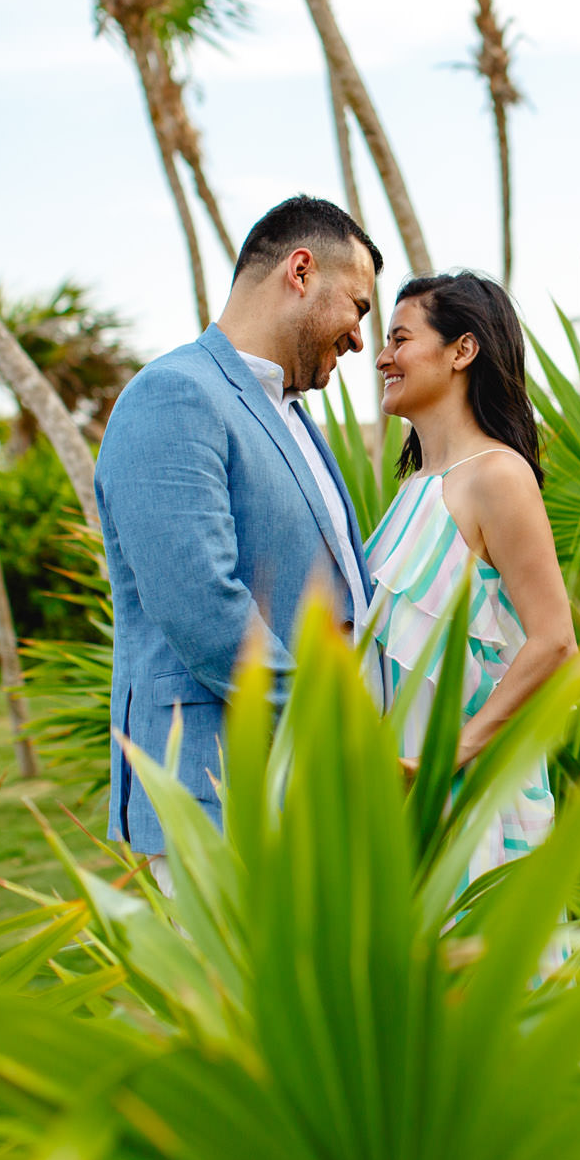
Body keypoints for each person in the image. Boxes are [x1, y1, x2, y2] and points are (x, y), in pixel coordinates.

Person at [97, 195, 379, 881]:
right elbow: (207, 611)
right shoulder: (174, 394)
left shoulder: (291, 416)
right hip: (221, 799)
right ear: (301, 271)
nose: (359, 339)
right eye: (359, 307)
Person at [364, 271, 576, 887]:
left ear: (462, 350)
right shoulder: (412, 490)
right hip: (403, 793)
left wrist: (452, 753)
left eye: (400, 339)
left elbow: (555, 640)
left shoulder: (498, 476)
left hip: (468, 796)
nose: (383, 357)